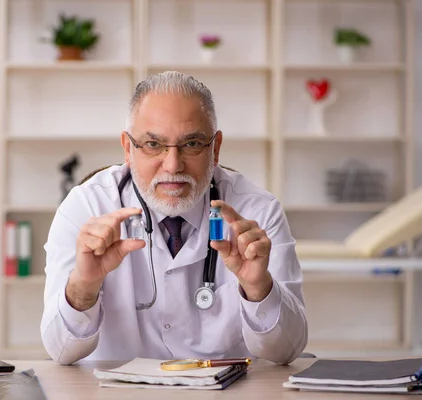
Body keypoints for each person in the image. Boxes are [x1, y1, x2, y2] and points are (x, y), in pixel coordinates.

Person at [40, 71, 308, 366]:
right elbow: (60, 351)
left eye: (191, 144)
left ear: (215, 148)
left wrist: (259, 289)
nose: (172, 165)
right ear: (128, 148)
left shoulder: (258, 212)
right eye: (153, 144)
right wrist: (83, 287)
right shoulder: (85, 207)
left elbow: (287, 351)